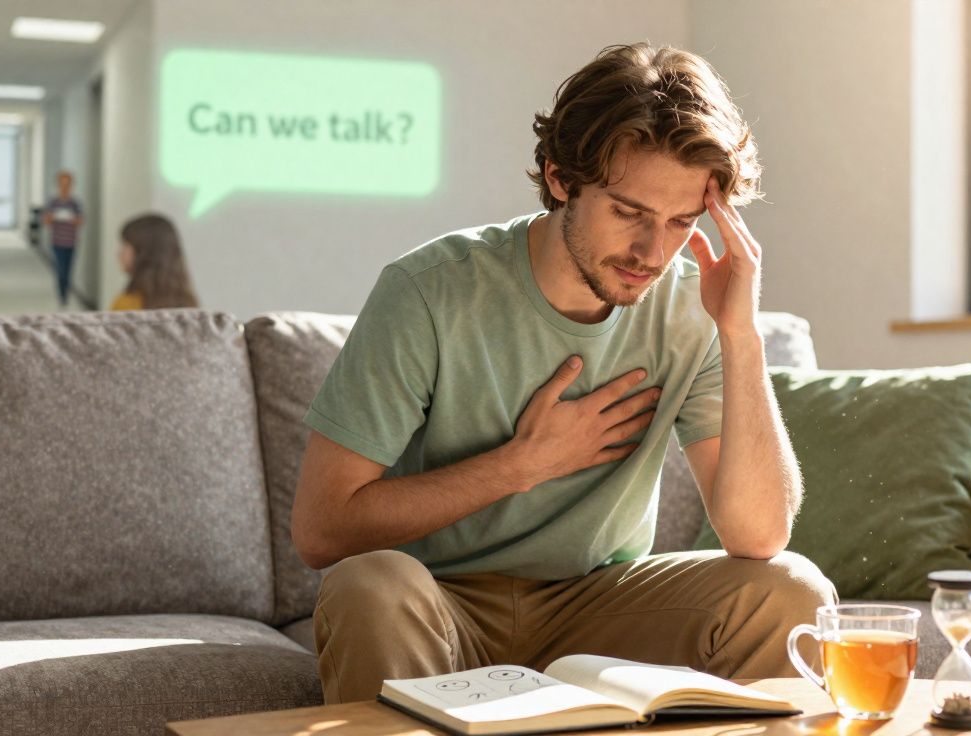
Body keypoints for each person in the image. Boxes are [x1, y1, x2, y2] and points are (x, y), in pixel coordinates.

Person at [291, 43, 838, 705]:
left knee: (791, 590)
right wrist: (519, 465)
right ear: (558, 178)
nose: (652, 252)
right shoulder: (429, 290)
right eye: (629, 213)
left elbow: (758, 536)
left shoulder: (694, 309)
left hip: (599, 608)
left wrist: (740, 334)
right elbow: (322, 530)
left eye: (680, 223)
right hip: (438, 603)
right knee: (368, 587)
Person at [109, 213, 198, 311]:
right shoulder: (189, 304)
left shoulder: (125, 305)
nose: (119, 253)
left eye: (125, 245)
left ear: (143, 252)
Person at [43, 171, 83, 306]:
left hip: (71, 241)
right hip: (57, 241)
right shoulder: (53, 202)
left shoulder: (75, 203)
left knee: (68, 269)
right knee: (60, 269)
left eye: (67, 184)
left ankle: (65, 293)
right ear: (58, 185)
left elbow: (80, 221)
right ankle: (61, 295)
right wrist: (55, 217)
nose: (65, 187)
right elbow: (46, 220)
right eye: (62, 184)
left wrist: (71, 218)